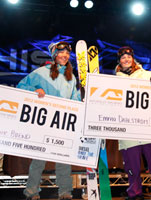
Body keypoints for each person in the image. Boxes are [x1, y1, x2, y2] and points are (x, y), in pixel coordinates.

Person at [17, 41, 81, 200]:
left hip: (62, 123)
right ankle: (31, 192)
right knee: (39, 160)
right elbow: (20, 86)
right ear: (54, 55)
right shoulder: (40, 72)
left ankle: (65, 192)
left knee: (63, 160)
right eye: (61, 52)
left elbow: (74, 100)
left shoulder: (71, 77)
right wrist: (34, 90)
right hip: (44, 123)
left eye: (67, 53)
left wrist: (82, 95)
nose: (65, 55)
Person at [115, 46, 151, 200]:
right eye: (123, 57)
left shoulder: (144, 74)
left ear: (133, 58)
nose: (126, 59)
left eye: (128, 56)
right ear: (119, 61)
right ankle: (135, 193)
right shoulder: (115, 80)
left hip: (150, 128)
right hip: (128, 129)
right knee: (132, 165)